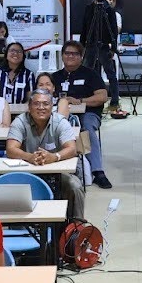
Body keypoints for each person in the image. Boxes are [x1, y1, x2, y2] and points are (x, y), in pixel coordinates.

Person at [5, 88, 82, 218]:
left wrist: (55, 157)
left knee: (74, 185)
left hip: (57, 172)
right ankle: (20, 226)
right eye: (36, 104)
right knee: (10, 187)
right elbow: (11, 149)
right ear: (29, 107)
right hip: (28, 171)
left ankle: (76, 228)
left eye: (46, 104)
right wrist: (29, 157)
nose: (41, 107)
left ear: (52, 106)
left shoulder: (60, 122)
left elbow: (71, 148)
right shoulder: (20, 121)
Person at [51, 41, 112, 189]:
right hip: (60, 114)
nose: (70, 56)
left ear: (81, 56)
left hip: (87, 113)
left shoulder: (90, 74)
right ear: (62, 56)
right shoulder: (55, 77)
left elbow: (102, 96)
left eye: (75, 54)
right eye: (67, 53)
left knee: (87, 128)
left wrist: (79, 101)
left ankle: (98, 172)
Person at [78, 0, 122, 115]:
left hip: (104, 46)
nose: (110, 1)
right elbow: (85, 26)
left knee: (110, 74)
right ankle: (84, 98)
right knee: (85, 71)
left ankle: (114, 101)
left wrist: (113, 47)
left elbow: (113, 29)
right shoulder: (90, 8)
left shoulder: (109, 10)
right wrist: (82, 46)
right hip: (91, 44)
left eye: (113, 0)